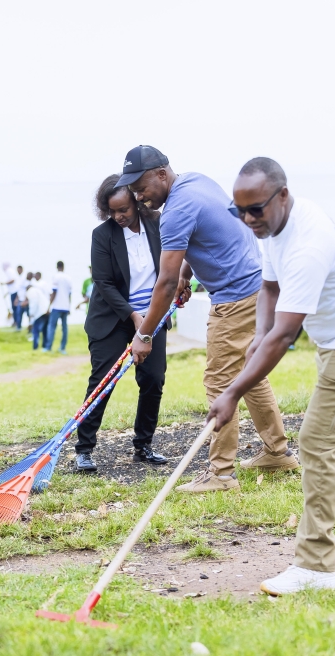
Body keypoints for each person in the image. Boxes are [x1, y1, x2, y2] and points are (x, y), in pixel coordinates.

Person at [208, 158, 335, 595]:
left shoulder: (308, 244)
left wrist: (234, 391)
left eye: (255, 210)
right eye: (238, 211)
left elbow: (285, 336)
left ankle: (316, 566)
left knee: (317, 441)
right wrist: (258, 335)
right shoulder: (273, 225)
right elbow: (270, 287)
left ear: (281, 196)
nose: (247, 220)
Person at [124, 145, 296, 493]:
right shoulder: (196, 182)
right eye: (133, 190)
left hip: (233, 299)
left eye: (141, 187)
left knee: (219, 381)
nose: (138, 196)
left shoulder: (175, 211)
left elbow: (164, 283)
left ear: (161, 174)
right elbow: (206, 238)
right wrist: (187, 273)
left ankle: (221, 474)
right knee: (250, 375)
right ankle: (277, 452)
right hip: (257, 288)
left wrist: (144, 335)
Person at [74, 175, 177, 472]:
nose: (118, 216)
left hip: (152, 317)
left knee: (153, 379)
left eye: (124, 209)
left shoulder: (158, 223)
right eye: (112, 211)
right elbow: (103, 282)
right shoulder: (102, 235)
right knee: (103, 381)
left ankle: (144, 445)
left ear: (136, 201)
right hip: (113, 318)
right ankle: (84, 449)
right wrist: (133, 316)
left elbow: (174, 261)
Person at [45, 261, 72, 353]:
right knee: (64, 328)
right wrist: (69, 307)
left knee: (52, 327)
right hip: (65, 306)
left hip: (56, 306)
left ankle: (48, 347)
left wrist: (49, 306)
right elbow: (69, 294)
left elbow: (54, 292)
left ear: (57, 267)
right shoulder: (68, 278)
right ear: (63, 267)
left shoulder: (56, 277)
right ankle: (63, 348)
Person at [24, 275, 51, 349]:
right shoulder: (38, 290)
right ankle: (45, 346)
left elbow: (33, 304)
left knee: (36, 330)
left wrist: (31, 315)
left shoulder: (30, 291)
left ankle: (35, 347)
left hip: (40, 313)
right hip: (47, 311)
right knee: (45, 330)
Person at [14, 265, 27, 330]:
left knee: (28, 314)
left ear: (21, 269)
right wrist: (16, 299)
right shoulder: (18, 278)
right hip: (20, 299)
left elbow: (27, 289)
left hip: (24, 299)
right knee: (18, 313)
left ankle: (30, 328)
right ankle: (18, 327)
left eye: (18, 270)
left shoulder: (24, 278)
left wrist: (25, 300)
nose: (18, 271)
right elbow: (18, 290)